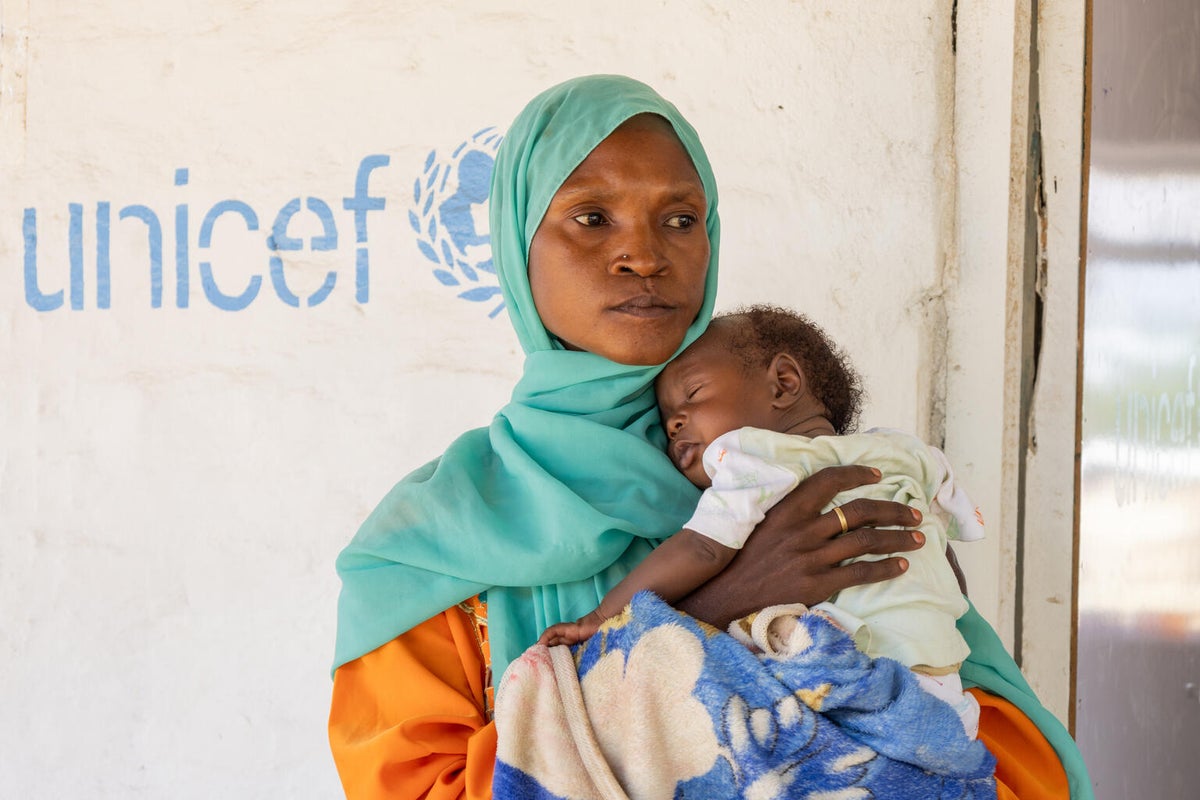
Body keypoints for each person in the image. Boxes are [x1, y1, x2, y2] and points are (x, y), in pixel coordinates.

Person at [328, 74, 1090, 799]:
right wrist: (714, 608)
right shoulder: (431, 544)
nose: (645, 255)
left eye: (680, 219)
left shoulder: (808, 483)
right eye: (592, 218)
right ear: (515, 246)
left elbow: (1006, 763)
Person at [540, 304, 986, 735]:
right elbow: (949, 557)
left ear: (783, 383)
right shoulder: (903, 450)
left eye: (692, 395)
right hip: (943, 680)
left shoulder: (753, 458)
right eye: (665, 419)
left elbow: (702, 547)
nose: (674, 423)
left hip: (841, 677)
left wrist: (602, 616)